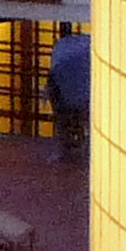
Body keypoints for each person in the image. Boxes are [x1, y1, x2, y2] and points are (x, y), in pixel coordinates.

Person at [48, 30, 93, 164]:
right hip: (72, 94)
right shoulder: (69, 51)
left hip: (66, 93)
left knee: (64, 122)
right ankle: (77, 149)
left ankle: (66, 149)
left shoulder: (64, 50)